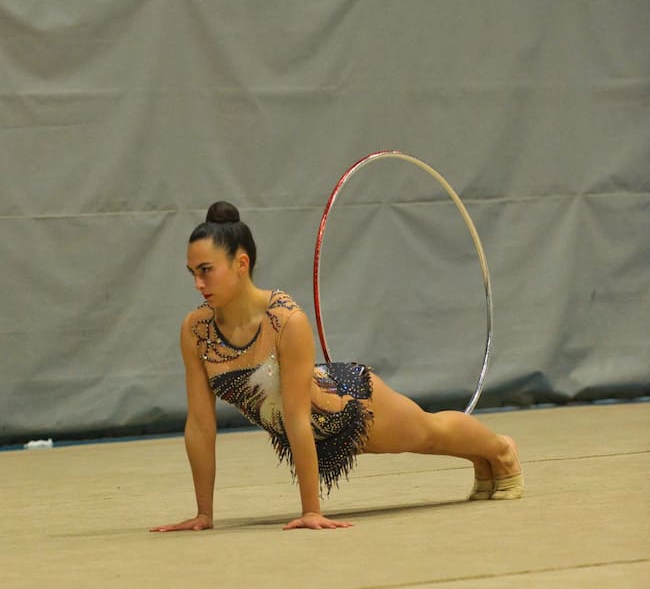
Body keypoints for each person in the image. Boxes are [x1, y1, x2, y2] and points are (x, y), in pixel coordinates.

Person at [151, 201, 523, 533]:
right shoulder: (196, 330)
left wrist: (311, 510)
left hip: (350, 408)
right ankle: (484, 461)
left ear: (241, 263)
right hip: (310, 430)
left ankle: (501, 451)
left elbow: (297, 417)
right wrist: (204, 514)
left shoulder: (285, 320)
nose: (198, 283)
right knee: (429, 437)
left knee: (428, 433)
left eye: (206, 270)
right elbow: (200, 424)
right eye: (192, 273)